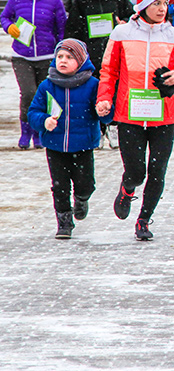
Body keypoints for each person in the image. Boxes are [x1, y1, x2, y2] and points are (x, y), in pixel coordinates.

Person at [96, 0, 174, 241]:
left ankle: (143, 220)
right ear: (142, 6)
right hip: (128, 113)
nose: (162, 8)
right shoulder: (121, 34)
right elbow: (108, 71)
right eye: (156, 3)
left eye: (165, 3)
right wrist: (104, 98)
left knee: (157, 171)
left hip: (163, 115)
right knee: (136, 170)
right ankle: (128, 188)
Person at [27, 39, 113, 239]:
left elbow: (107, 114)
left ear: (81, 61)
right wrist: (44, 121)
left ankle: (82, 198)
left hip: (83, 145)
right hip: (55, 145)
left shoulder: (93, 85)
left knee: (85, 183)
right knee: (59, 186)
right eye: (60, 57)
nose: (63, 61)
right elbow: (33, 113)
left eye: (69, 57)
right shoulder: (47, 85)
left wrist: (104, 111)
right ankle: (64, 222)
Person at [64, 0, 134, 150]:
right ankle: (97, 130)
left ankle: (113, 126)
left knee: (115, 90)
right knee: (94, 92)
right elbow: (73, 29)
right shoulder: (82, 0)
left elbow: (132, 18)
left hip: (115, 53)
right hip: (91, 54)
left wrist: (123, 23)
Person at [2, 0, 67, 149]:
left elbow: (61, 27)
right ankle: (25, 131)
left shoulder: (54, 1)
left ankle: (39, 132)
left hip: (47, 55)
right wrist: (9, 27)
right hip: (22, 56)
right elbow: (4, 17)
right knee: (29, 93)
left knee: (44, 94)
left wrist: (60, 50)